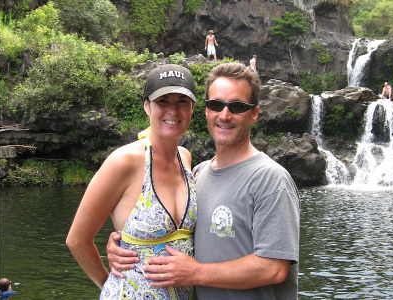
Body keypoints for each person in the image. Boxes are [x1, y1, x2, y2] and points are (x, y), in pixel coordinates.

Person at [107, 62, 300, 299]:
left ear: (255, 113)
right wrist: (124, 246)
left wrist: (196, 273)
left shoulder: (271, 180)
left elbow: (274, 268)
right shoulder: (195, 174)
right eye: (216, 104)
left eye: (237, 106)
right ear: (206, 111)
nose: (225, 115)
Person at [66, 64, 198, 299]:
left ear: (192, 108)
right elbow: (77, 240)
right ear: (147, 106)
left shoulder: (185, 158)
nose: (173, 110)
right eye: (163, 101)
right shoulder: (124, 162)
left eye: (181, 102)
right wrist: (108, 284)